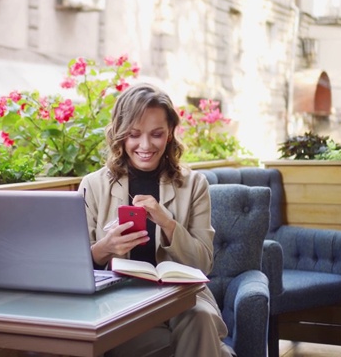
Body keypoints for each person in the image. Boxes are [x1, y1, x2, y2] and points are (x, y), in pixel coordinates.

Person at [78, 83, 235, 357]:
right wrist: (105, 247)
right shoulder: (93, 186)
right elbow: (73, 267)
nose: (145, 146)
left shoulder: (194, 184)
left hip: (184, 297)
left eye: (157, 134)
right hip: (120, 301)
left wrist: (168, 223)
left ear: (170, 134)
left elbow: (203, 264)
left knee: (200, 318)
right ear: (120, 134)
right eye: (134, 135)